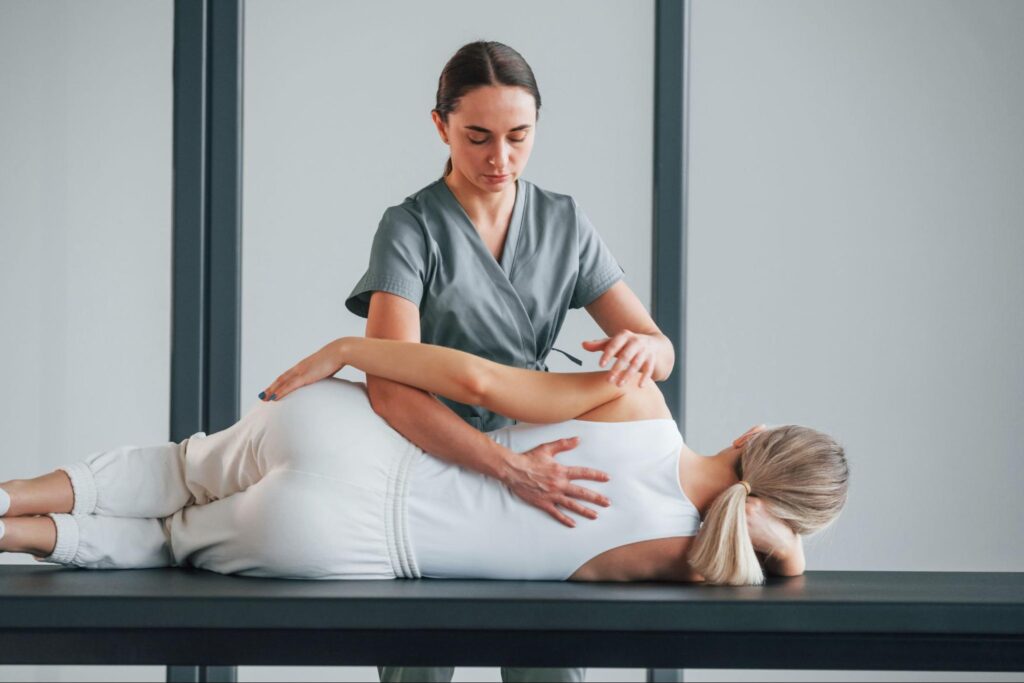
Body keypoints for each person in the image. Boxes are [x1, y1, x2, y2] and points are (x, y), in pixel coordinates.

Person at [1, 336, 849, 594]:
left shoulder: (638, 404)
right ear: (779, 517)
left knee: (181, 467)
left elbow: (477, 381)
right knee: (168, 543)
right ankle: (19, 536)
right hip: (341, 544)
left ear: (755, 432)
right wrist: (784, 541)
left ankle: (8, 496)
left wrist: (351, 348)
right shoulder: (696, 560)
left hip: (363, 438)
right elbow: (783, 569)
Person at [339, 39, 676, 683]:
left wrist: (646, 348)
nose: (500, 158)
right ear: (440, 126)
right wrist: (507, 468)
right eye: (478, 137)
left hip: (541, 462)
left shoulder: (563, 221)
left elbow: (658, 350)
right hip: (429, 461)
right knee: (418, 665)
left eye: (519, 137)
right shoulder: (410, 228)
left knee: (546, 660)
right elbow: (390, 387)